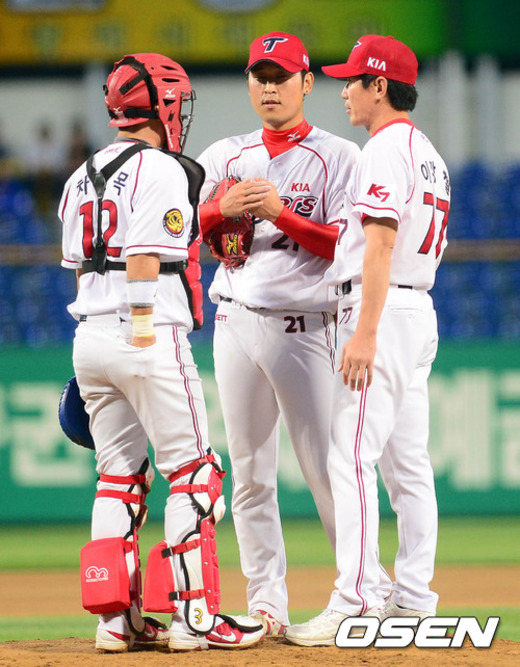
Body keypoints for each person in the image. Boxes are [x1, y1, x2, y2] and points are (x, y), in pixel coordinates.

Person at [58, 52, 264, 653]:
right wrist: (144, 328)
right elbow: (146, 254)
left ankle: (115, 622)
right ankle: (195, 621)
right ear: (164, 105)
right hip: (146, 334)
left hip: (89, 336)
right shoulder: (162, 168)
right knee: (195, 475)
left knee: (118, 477)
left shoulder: (80, 174)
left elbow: (79, 267)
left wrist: (103, 336)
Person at [285, 34, 450, 646]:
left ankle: (357, 600)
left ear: (380, 85)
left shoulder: (383, 148)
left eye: (352, 81)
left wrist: (365, 333)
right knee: (409, 466)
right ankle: (415, 600)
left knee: (350, 456)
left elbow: (379, 244)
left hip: (382, 309)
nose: (344, 91)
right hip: (416, 308)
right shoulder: (428, 153)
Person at [196, 32, 360, 636]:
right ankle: (267, 604)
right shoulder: (224, 155)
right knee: (249, 476)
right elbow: (176, 227)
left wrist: (280, 215)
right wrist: (218, 210)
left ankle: (362, 594)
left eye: (281, 76)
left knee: (326, 470)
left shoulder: (339, 155)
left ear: (307, 83)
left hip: (306, 327)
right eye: (259, 77)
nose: (269, 87)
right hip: (235, 321)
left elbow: (347, 245)